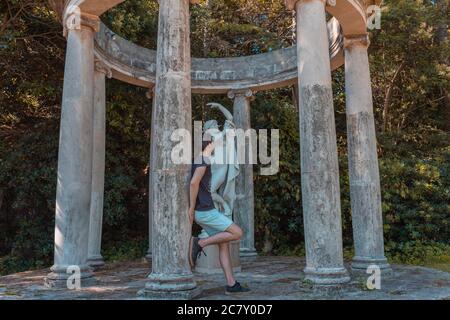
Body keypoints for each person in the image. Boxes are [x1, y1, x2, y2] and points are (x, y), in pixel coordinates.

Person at [189, 138, 250, 295]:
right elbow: (194, 183)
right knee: (237, 233)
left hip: (204, 210)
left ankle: (232, 284)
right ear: (209, 145)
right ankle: (200, 243)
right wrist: (191, 207)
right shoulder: (204, 159)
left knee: (224, 245)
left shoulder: (198, 159)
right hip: (206, 211)